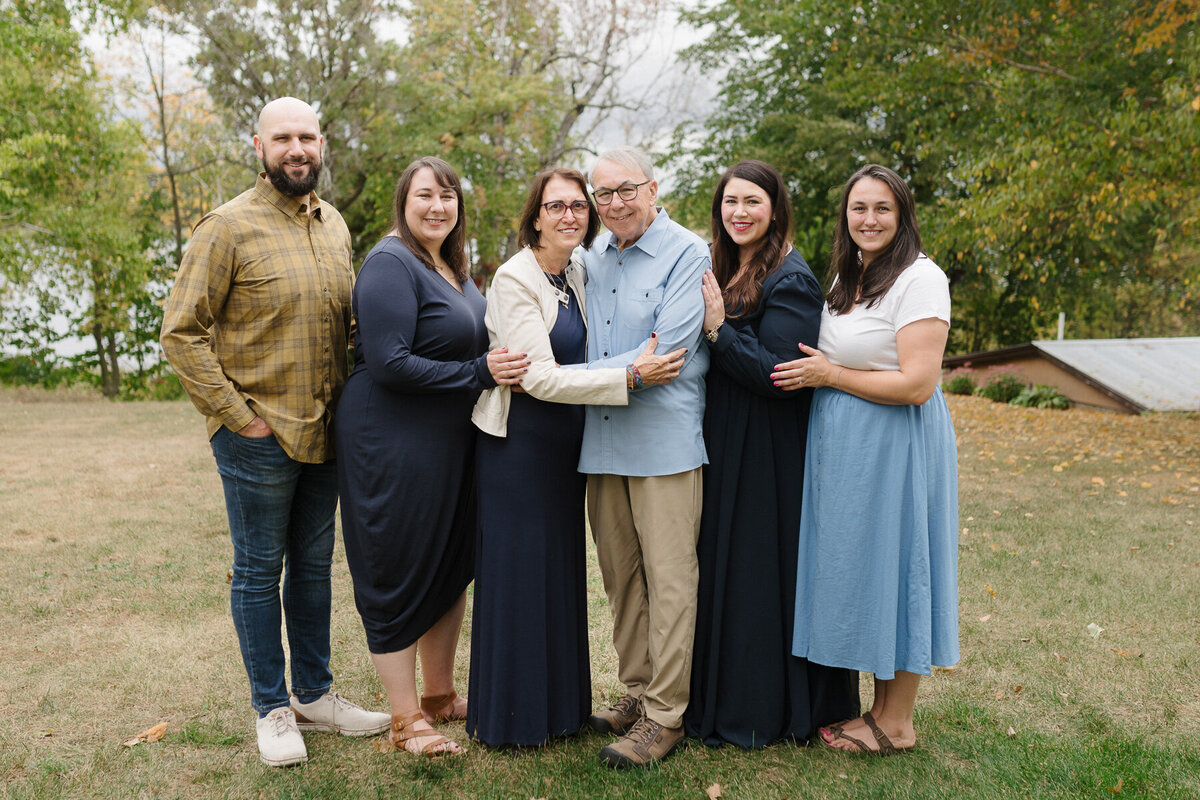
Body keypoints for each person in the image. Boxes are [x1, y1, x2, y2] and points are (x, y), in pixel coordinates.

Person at [160, 97, 390, 767]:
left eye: (308, 137)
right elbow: (181, 333)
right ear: (257, 145)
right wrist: (239, 417)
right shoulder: (226, 228)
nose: (298, 148)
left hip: (326, 429)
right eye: (284, 137)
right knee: (260, 572)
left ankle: (315, 695)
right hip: (257, 435)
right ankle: (272, 707)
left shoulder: (337, 226)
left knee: (314, 569)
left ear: (323, 145)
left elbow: (348, 325)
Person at [468, 168, 686, 747]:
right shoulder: (517, 279)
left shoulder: (581, 268)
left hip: (570, 447)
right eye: (555, 206)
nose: (570, 215)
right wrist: (629, 375)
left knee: (560, 576)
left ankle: (561, 711)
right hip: (520, 446)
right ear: (535, 216)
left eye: (577, 206)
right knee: (521, 577)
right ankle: (514, 718)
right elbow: (536, 378)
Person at [334, 157, 528, 757]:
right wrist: (479, 371)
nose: (438, 206)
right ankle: (403, 719)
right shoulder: (391, 263)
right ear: (404, 201)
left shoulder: (449, 263)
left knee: (448, 565)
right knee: (397, 568)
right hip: (390, 439)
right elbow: (390, 363)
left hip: (447, 440)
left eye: (448, 195)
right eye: (425, 195)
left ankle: (440, 697)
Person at [772, 164, 959, 755]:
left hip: (898, 441)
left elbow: (916, 384)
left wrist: (830, 373)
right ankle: (877, 709)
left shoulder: (920, 279)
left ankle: (898, 720)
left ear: (901, 215)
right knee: (873, 567)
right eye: (859, 208)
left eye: (882, 208)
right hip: (851, 446)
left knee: (903, 562)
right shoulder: (850, 276)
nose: (869, 219)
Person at [686, 160, 860, 748]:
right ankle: (712, 696)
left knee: (758, 572)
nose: (739, 212)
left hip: (766, 449)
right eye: (730, 201)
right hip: (724, 441)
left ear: (776, 208)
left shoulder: (792, 277)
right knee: (723, 570)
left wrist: (718, 330)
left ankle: (761, 708)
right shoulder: (724, 263)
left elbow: (780, 375)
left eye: (752, 202)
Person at [575, 146, 710, 768]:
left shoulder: (687, 251)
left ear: (653, 189)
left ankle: (665, 717)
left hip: (663, 446)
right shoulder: (590, 257)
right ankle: (635, 693)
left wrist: (564, 375)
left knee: (671, 583)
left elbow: (668, 355)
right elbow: (634, 360)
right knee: (622, 580)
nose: (616, 204)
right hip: (601, 445)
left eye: (627, 190)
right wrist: (615, 368)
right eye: (603, 195)